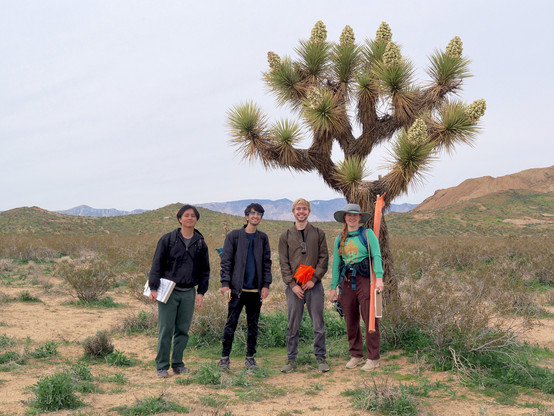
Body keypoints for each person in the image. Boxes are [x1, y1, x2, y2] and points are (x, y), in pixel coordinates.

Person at [148, 204, 210, 378]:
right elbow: (157, 264)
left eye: (193, 216)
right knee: (166, 329)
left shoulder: (200, 243)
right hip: (168, 291)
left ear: (196, 219)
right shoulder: (168, 239)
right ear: (180, 218)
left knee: (183, 330)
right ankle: (162, 366)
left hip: (189, 292)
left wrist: (201, 292)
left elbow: (205, 270)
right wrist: (153, 288)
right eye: (186, 215)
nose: (190, 218)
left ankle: (178, 363)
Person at [329, 203, 384, 372]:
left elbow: (376, 255)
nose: (351, 218)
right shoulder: (340, 238)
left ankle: (373, 358)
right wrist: (333, 287)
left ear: (360, 217)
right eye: (348, 215)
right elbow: (337, 262)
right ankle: (356, 355)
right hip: (346, 280)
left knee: (370, 318)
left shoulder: (367, 234)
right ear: (344, 218)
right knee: (350, 318)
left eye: (355, 215)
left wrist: (379, 278)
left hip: (365, 279)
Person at [219, 202, 272, 370]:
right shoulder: (234, 236)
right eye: (253, 213)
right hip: (237, 290)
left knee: (253, 325)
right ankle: (225, 358)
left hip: (255, 290)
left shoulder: (262, 238)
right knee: (231, 323)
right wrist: (225, 284)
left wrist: (266, 285)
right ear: (246, 216)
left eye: (259, 214)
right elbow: (226, 261)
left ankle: (250, 357)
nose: (256, 216)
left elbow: (266, 263)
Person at [278, 198, 330, 373]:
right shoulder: (285, 236)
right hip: (295, 288)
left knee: (318, 323)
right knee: (293, 323)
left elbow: (324, 259)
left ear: (309, 211)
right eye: (298, 209)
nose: (301, 212)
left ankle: (321, 358)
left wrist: (313, 280)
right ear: (293, 212)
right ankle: (291, 359)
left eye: (304, 209)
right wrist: (292, 284)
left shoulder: (318, 233)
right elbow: (284, 263)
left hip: (313, 285)